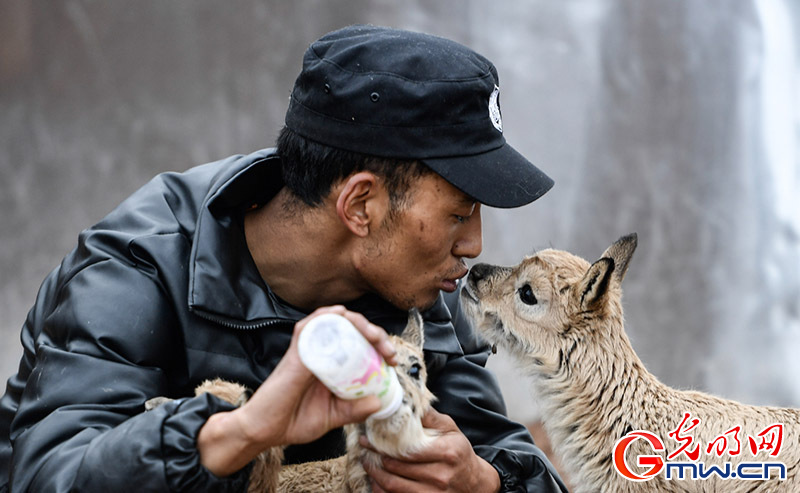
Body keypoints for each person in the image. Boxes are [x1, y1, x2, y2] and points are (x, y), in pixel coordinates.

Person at [0, 24, 567, 492]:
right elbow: (49, 477)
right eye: (459, 211)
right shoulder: (137, 268)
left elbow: (514, 460)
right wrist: (238, 433)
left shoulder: (418, 292)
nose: (475, 244)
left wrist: (481, 481)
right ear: (360, 204)